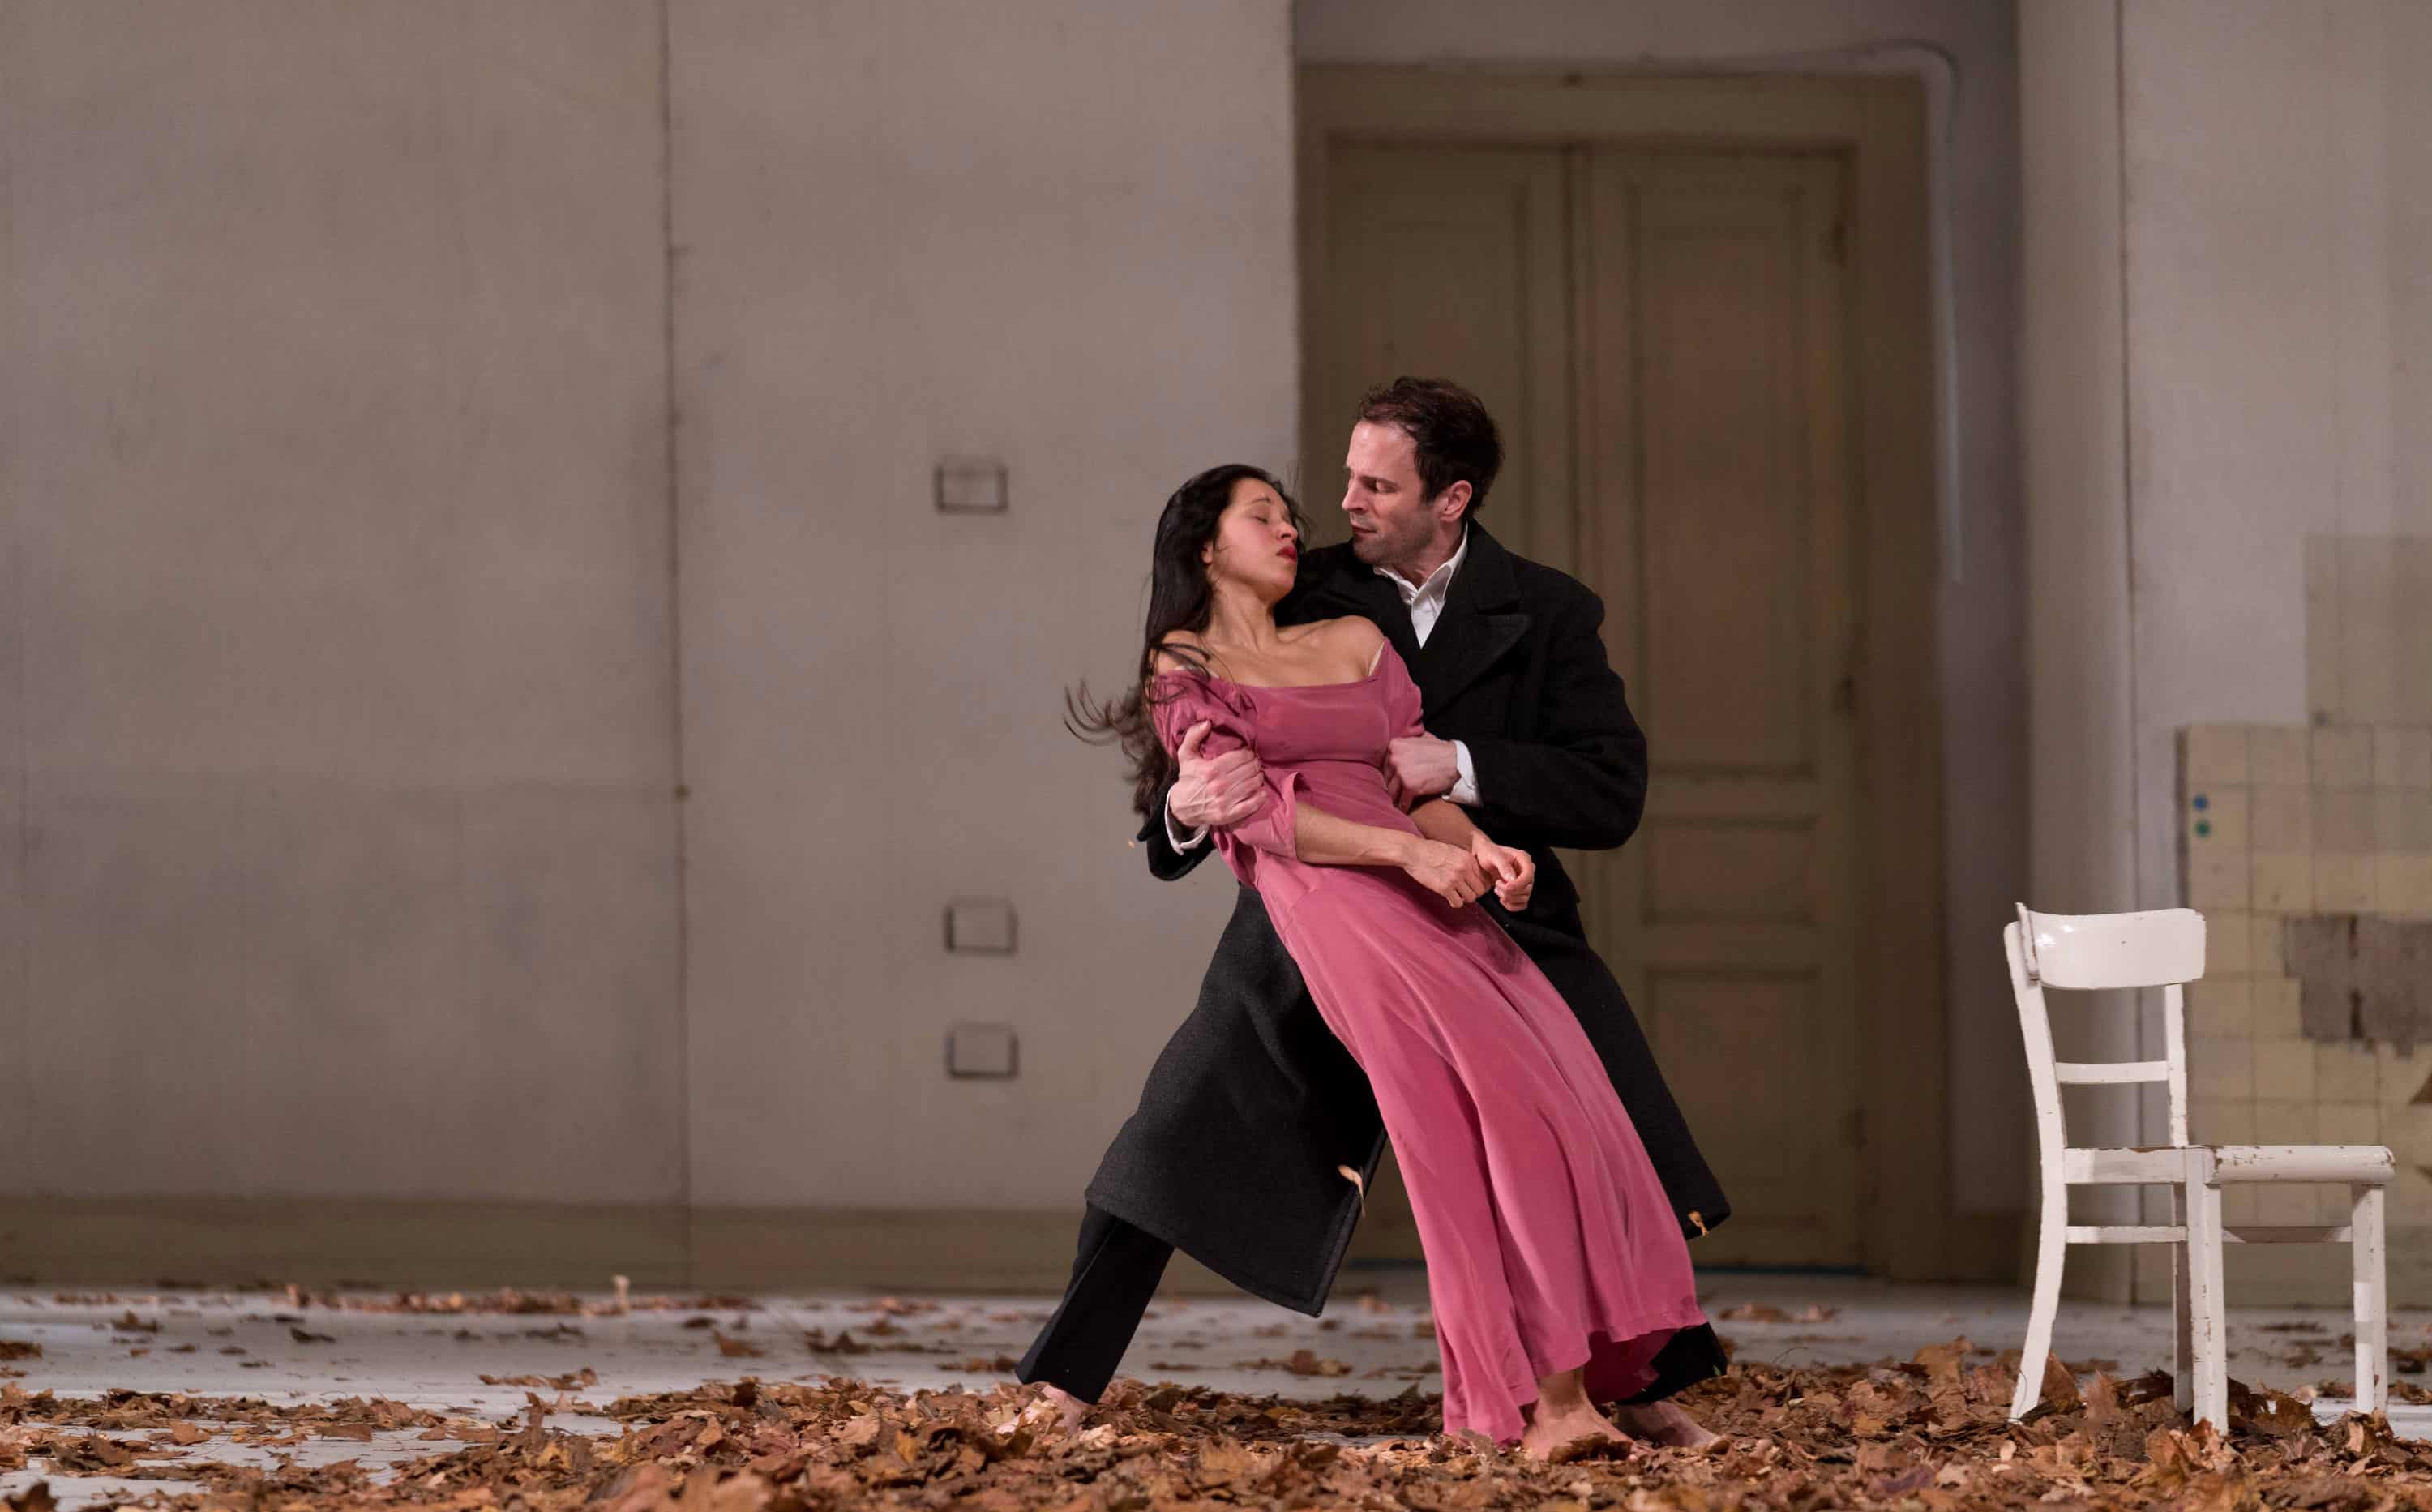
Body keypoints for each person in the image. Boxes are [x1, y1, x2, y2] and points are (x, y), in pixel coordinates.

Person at [1021, 379, 1728, 1447]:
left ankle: (1628, 1380)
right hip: (1310, 914)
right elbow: (1203, 754)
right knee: (1172, 1130)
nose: (1337, 504)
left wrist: (1468, 771)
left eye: (1375, 485)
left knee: (1601, 1115)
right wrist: (1178, 808)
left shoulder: (1547, 610)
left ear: (1451, 498)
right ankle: (1066, 1375)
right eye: (1340, 479)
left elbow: (1611, 789)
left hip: (1483, 901)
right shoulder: (1303, 594)